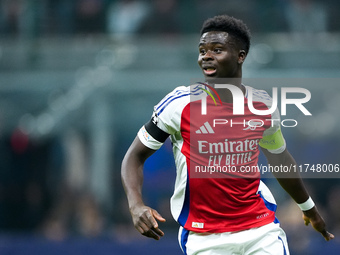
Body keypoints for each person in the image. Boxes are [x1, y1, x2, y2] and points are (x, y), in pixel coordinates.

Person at [121, 15, 334, 254]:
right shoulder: (179, 104)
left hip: (260, 231)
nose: (206, 56)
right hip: (204, 238)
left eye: (217, 49)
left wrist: (309, 209)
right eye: (202, 50)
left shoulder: (262, 105)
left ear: (240, 56)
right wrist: (136, 205)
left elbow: (280, 159)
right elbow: (134, 157)